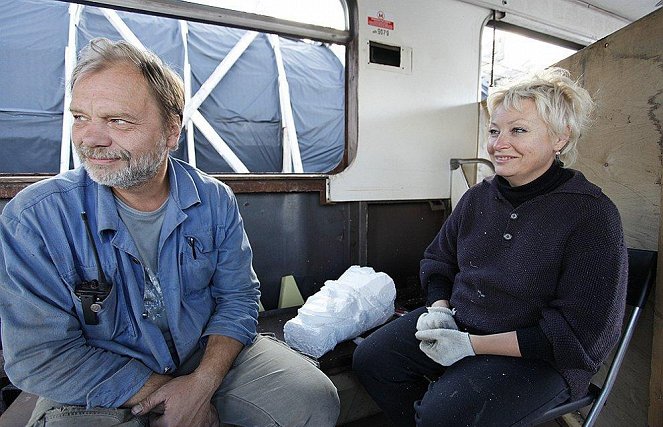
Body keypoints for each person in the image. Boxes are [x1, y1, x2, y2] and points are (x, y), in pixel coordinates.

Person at [0, 37, 339, 427]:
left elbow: (238, 298)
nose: (91, 138)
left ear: (171, 131)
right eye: (80, 117)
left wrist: (201, 384)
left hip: (202, 354)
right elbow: (39, 355)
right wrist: (166, 392)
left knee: (313, 399)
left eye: (117, 121)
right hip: (98, 372)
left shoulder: (214, 201)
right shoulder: (34, 218)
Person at [353, 68, 627, 426]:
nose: (498, 144)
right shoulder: (478, 198)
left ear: (561, 137)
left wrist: (471, 347)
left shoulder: (591, 214)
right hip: (461, 324)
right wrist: (440, 309)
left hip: (538, 356)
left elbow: (577, 335)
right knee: (372, 360)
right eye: (495, 131)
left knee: (443, 415)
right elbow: (439, 260)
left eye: (518, 131)